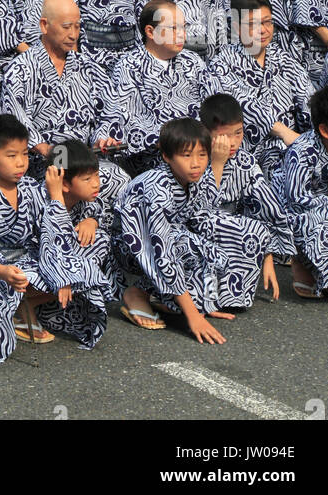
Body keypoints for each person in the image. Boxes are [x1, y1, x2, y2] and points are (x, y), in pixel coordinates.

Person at [0, 113, 109, 362]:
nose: (21, 163)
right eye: (11, 156)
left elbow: (51, 235)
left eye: (25, 154)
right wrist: (3, 272)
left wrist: (64, 273)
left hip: (27, 260)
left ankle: (25, 306)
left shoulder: (30, 190)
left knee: (82, 268)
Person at [113, 117, 271, 338]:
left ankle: (210, 300)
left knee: (246, 229)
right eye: (186, 155)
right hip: (133, 248)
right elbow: (161, 250)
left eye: (202, 155)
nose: (196, 163)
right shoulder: (156, 189)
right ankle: (138, 292)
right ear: (167, 156)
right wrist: (193, 316)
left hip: (174, 236)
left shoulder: (192, 176)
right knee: (189, 243)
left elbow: (206, 213)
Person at [0, 0, 121, 180]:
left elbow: (110, 110)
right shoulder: (21, 69)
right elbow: (14, 121)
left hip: (83, 158)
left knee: (119, 179)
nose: (73, 34)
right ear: (44, 25)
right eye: (66, 27)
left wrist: (102, 137)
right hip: (42, 162)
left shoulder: (88, 67)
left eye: (77, 26)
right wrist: (45, 149)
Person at [204, 0, 312, 179]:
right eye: (254, 24)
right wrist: (282, 131)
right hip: (246, 151)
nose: (263, 30)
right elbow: (239, 104)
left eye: (267, 22)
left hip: (293, 145)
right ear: (237, 27)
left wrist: (313, 137)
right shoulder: (221, 64)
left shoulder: (284, 59)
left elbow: (307, 98)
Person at [97, 0, 207, 175]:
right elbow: (117, 115)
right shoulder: (129, 66)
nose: (181, 35)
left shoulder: (193, 62)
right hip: (153, 158)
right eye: (173, 28)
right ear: (150, 31)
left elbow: (211, 108)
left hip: (197, 151)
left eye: (183, 27)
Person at [197, 93, 293, 287]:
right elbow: (197, 207)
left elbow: (265, 208)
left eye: (238, 133)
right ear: (206, 132)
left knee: (253, 227)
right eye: (224, 135)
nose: (232, 142)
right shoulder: (192, 156)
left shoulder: (245, 162)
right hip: (196, 231)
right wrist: (217, 163)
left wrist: (268, 258)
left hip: (231, 231)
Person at [278, 84, 328, 299]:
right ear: (325, 130)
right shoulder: (302, 151)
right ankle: (302, 261)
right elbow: (298, 201)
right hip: (297, 217)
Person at [58, 138, 127, 299]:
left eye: (96, 175)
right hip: (43, 263)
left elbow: (97, 211)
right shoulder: (41, 201)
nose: (96, 184)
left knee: (100, 239)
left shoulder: (84, 201)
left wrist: (92, 221)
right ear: (64, 183)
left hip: (70, 266)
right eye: (87, 179)